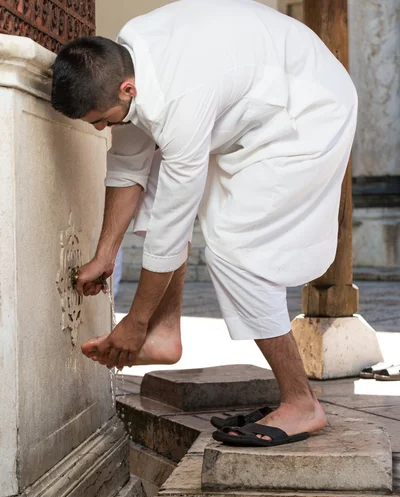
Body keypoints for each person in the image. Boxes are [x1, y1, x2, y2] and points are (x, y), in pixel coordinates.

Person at [51, 0, 357, 446]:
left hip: (307, 110)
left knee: (237, 253)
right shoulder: (127, 59)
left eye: (100, 121)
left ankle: (301, 403)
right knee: (157, 169)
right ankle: (166, 331)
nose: (100, 130)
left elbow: (172, 228)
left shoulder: (179, 100)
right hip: (263, 93)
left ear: (127, 90)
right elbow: (128, 166)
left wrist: (132, 324)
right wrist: (105, 255)